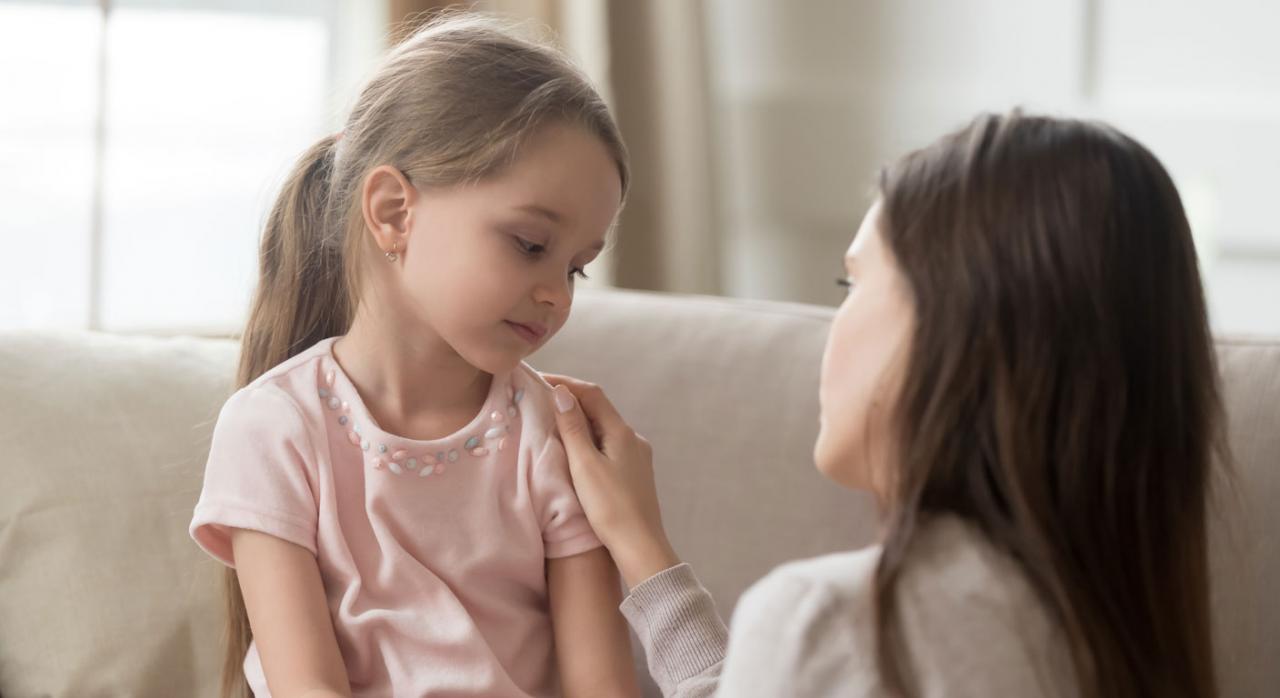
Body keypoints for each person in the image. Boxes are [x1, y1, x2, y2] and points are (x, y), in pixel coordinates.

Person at [547, 112, 1223, 698]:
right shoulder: (1115, 630)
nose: (834, 324)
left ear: (957, 325)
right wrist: (642, 548)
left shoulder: (834, 620)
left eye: (854, 282)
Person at [188, 14, 639, 698]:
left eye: (577, 268)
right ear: (395, 212)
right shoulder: (272, 429)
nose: (556, 296)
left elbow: (601, 689)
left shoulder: (551, 431)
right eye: (529, 244)